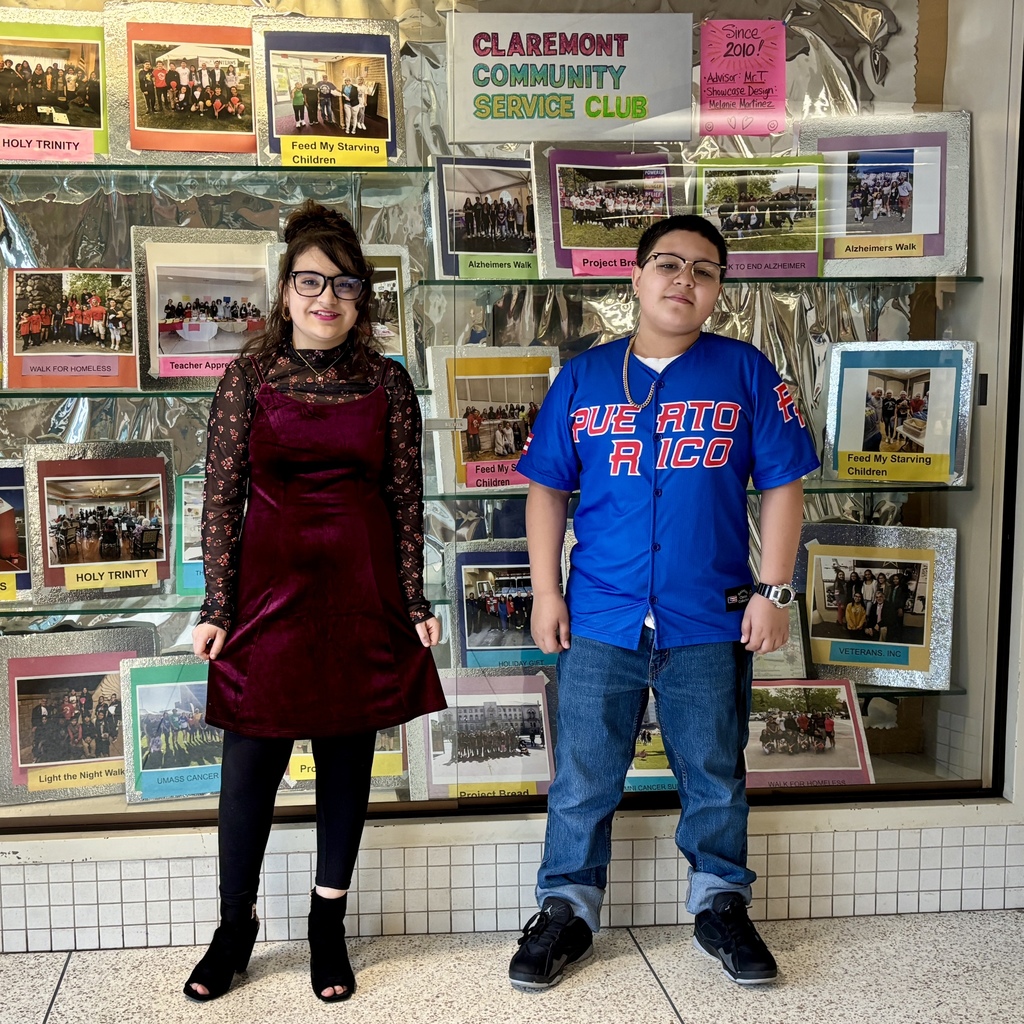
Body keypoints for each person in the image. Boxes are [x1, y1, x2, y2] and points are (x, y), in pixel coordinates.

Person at [509, 214, 819, 990]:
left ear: (717, 291)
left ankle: (721, 904)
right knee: (584, 775)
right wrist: (546, 591)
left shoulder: (747, 374)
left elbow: (784, 487)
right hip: (601, 616)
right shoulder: (583, 378)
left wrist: (774, 590)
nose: (684, 279)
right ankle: (566, 911)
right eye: (669, 264)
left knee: (714, 770)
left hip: (706, 616)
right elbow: (546, 489)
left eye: (705, 270)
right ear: (637, 277)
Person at [185, 200, 446, 1004]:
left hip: (361, 596)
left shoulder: (388, 383)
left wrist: (414, 599)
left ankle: (326, 926)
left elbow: (407, 499)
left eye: (343, 284)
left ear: (362, 297)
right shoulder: (249, 379)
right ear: (285, 291)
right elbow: (221, 500)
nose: (325, 298)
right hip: (266, 599)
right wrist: (216, 608)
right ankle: (235, 930)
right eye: (310, 281)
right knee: (249, 768)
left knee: (347, 761)